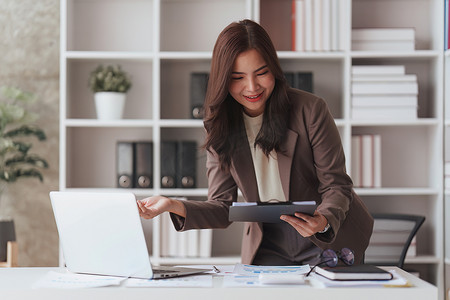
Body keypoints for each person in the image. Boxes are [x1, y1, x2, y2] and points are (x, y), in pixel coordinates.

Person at [137, 19, 373, 266]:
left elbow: (336, 185)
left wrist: (322, 220)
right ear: (223, 79)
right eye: (238, 77)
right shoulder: (219, 124)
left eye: (261, 73)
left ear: (274, 68)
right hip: (268, 242)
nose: (252, 87)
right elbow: (221, 208)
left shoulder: (310, 110)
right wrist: (172, 205)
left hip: (325, 236)